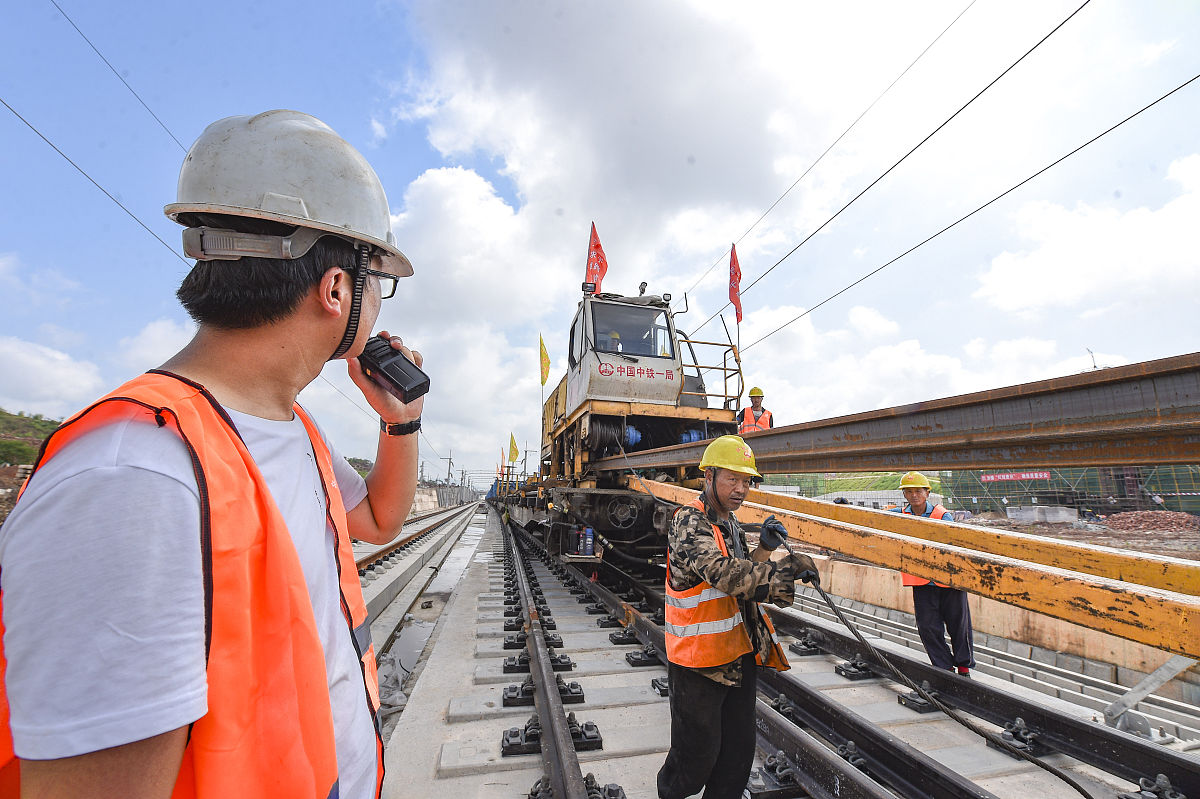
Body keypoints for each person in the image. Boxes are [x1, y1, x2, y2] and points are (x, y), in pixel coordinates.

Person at [0, 111, 423, 799]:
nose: (380, 302)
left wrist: (400, 424)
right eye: (379, 277)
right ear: (337, 288)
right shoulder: (131, 480)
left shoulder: (291, 431)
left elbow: (377, 519)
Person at [657, 435, 817, 799]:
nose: (742, 488)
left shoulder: (729, 523)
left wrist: (765, 549)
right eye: (733, 479)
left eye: (747, 481)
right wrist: (785, 576)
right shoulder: (689, 521)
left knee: (736, 758)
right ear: (709, 476)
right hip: (699, 663)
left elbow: (745, 573)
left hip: (737, 656)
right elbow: (724, 574)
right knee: (694, 759)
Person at [892, 471, 975, 676]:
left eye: (918, 491)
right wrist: (845, 506)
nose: (914, 496)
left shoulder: (942, 515)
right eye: (909, 492)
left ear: (927, 493)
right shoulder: (900, 514)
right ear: (904, 495)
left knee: (959, 624)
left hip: (949, 580)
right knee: (928, 627)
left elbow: (954, 543)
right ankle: (944, 668)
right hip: (922, 581)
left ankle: (963, 666)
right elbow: (871, 518)